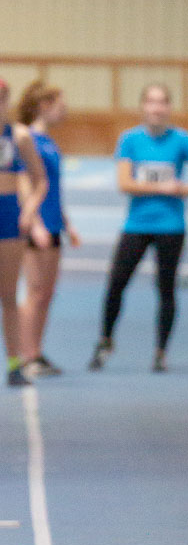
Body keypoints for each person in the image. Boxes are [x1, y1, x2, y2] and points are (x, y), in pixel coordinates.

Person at [88, 83, 188, 372]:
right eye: (151, 101)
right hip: (136, 225)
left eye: (162, 102)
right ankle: (105, 339)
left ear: (168, 107)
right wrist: (163, 187)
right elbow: (125, 183)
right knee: (116, 283)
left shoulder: (181, 139)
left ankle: (161, 352)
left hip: (171, 227)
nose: (157, 108)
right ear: (143, 106)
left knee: (166, 289)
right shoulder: (130, 139)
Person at [16, 81, 81, 377]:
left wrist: (67, 223)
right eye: (60, 104)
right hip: (37, 225)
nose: (65, 110)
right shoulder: (27, 138)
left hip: (53, 222)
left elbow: (53, 188)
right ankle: (24, 356)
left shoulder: (48, 141)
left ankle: (36, 352)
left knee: (46, 293)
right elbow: (25, 184)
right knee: (35, 292)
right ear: (44, 106)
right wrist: (36, 224)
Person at [0, 77, 48, 387]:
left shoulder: (19, 136)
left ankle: (15, 363)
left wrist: (29, 210)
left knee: (8, 294)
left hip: (8, 215)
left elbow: (40, 179)